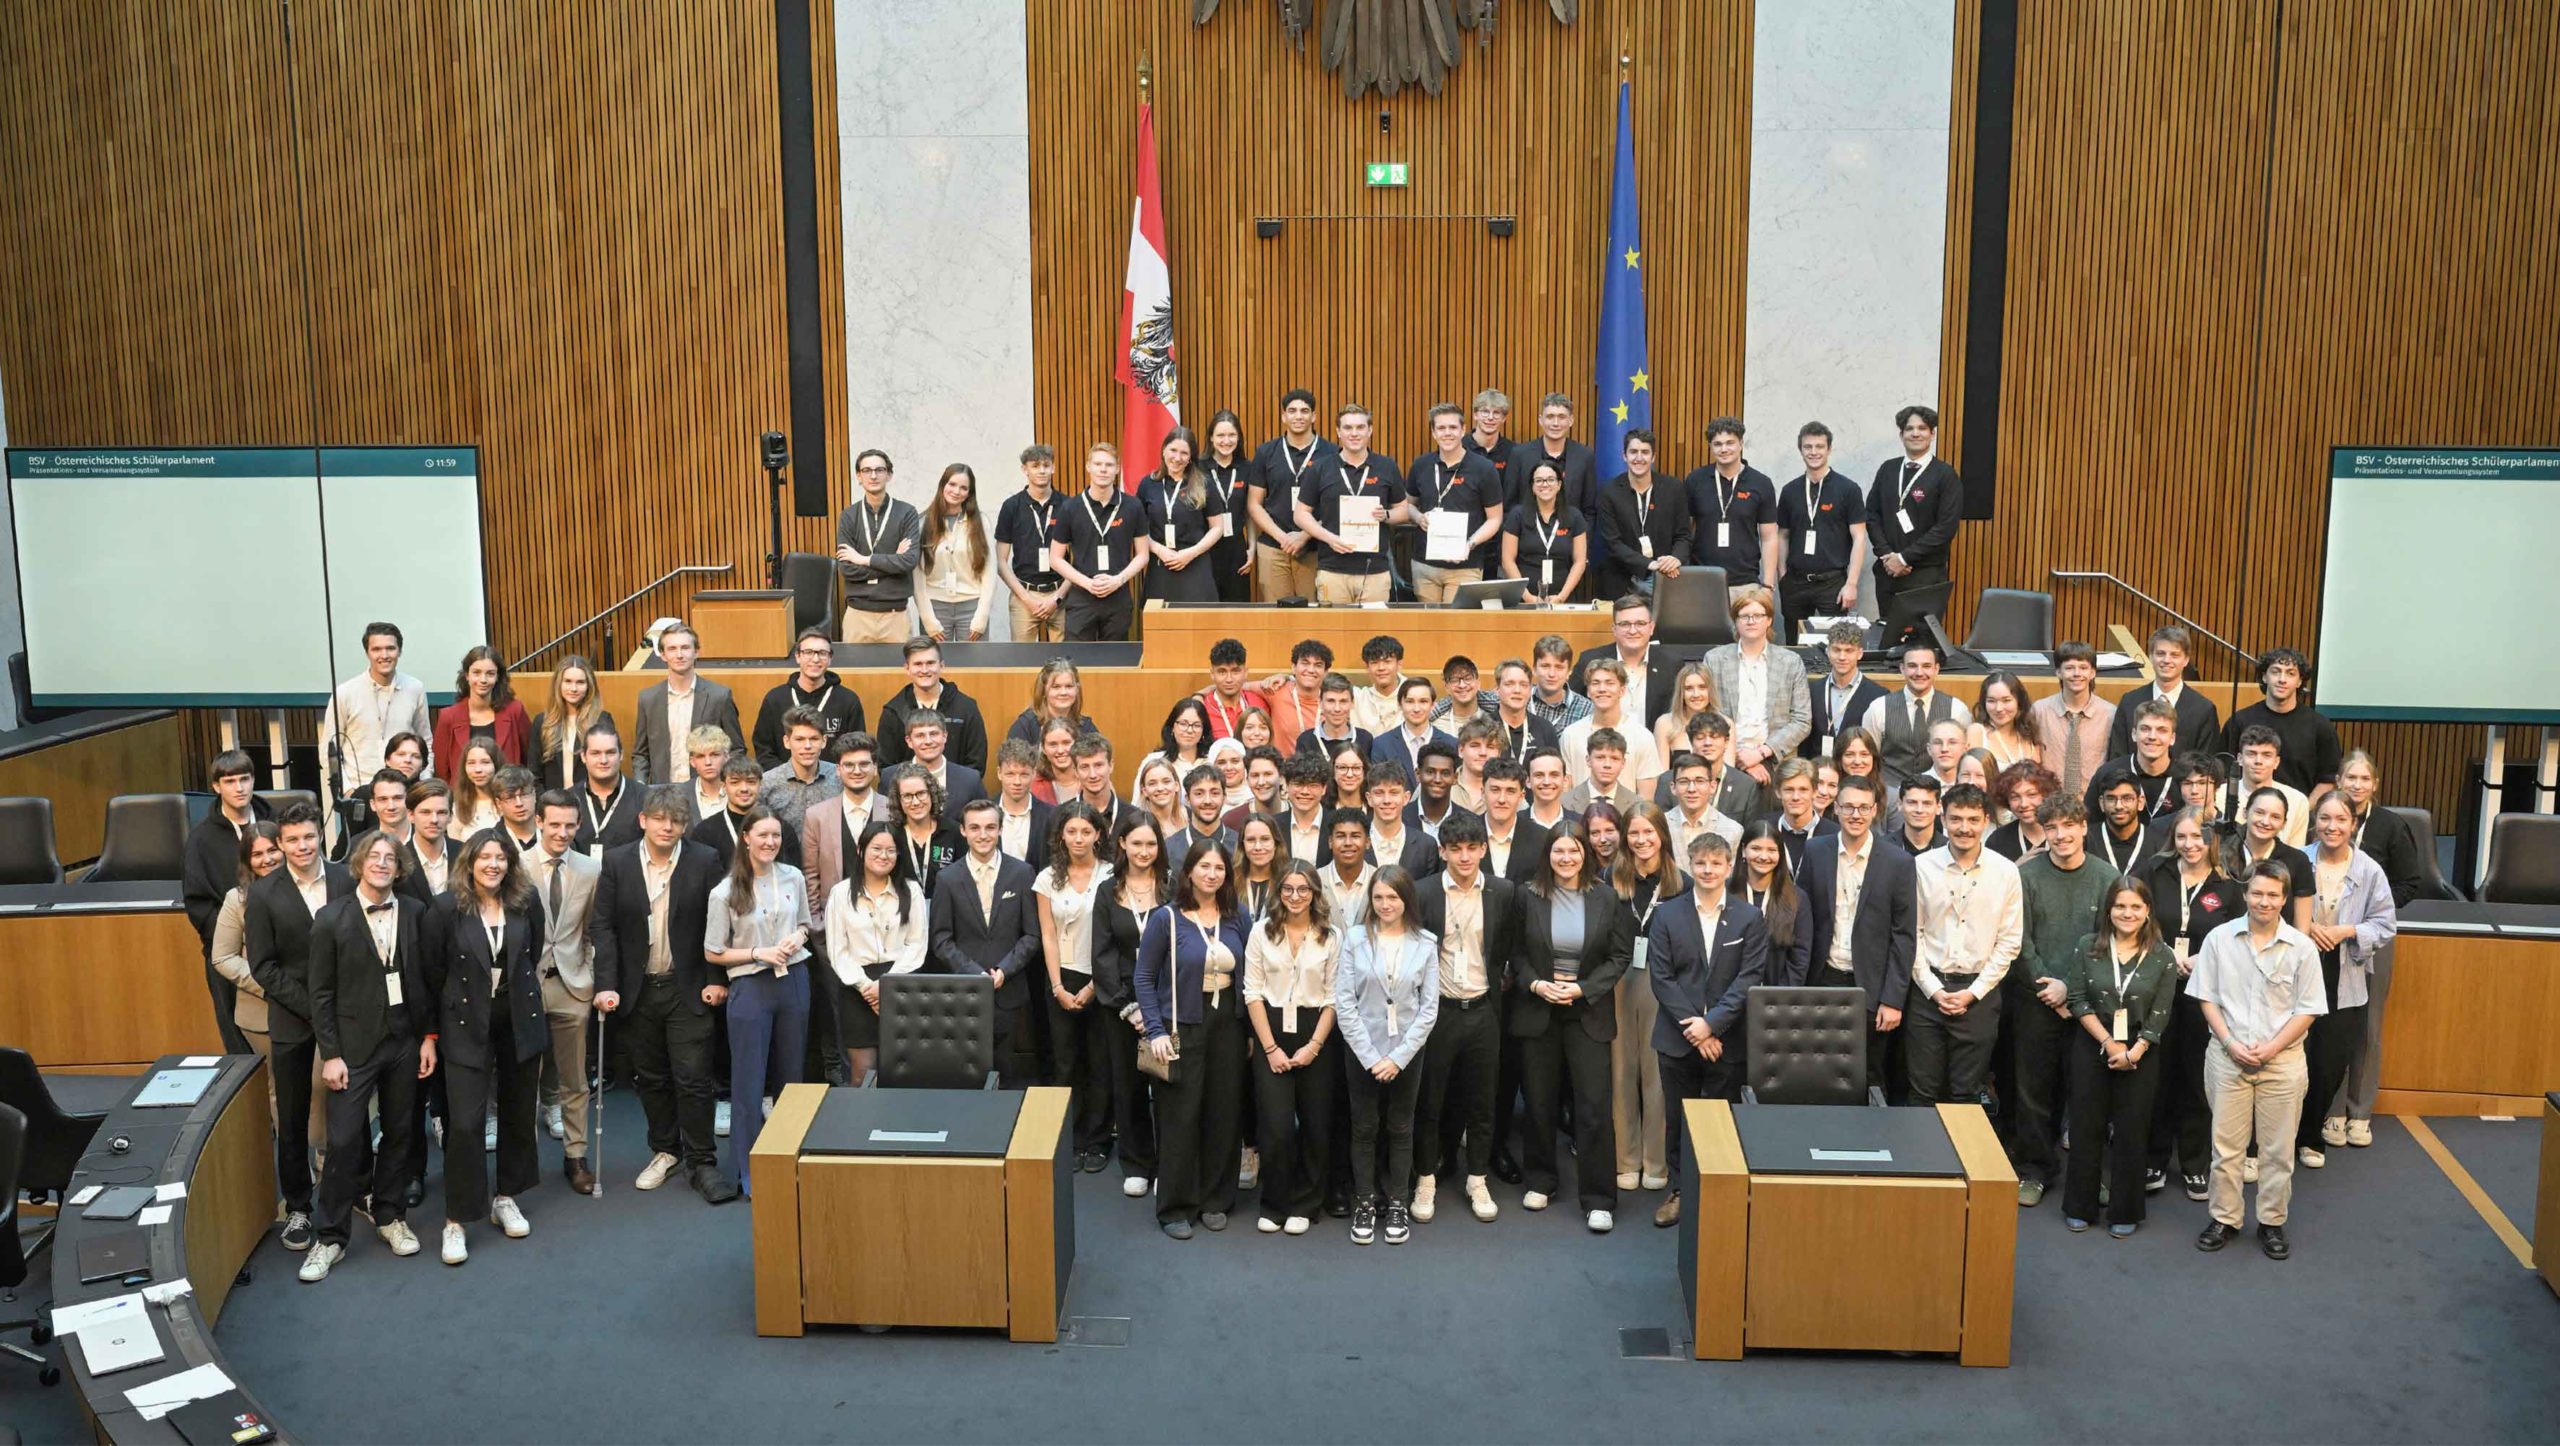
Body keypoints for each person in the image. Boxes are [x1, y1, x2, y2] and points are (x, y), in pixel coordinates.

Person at [294, 829, 435, 1281]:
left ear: (399, 867)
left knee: (399, 1133)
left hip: (404, 1042)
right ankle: (329, 1237)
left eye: (389, 857)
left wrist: (428, 1038)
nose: (381, 863)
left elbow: (426, 981)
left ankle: (390, 1215)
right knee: (344, 1142)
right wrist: (331, 1054)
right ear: (359, 863)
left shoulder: (415, 912)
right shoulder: (331, 917)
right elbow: (320, 994)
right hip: (351, 1051)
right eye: (373, 856)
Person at [593, 786, 731, 1201]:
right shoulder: (617, 861)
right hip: (637, 990)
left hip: (688, 986)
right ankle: (665, 1151)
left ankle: (702, 1161)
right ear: (643, 821)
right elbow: (603, 926)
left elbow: (717, 920)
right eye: (659, 818)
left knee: (692, 1078)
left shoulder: (703, 859)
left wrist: (716, 978)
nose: (667, 826)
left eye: (675, 820)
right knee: (650, 1078)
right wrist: (605, 984)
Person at [2189, 860, 2327, 1260]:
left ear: (2284, 899)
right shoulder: (2218, 939)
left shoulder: (2301, 947)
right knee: (2226, 1149)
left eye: (2273, 895)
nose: (2264, 902)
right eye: (2257, 893)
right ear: (2246, 894)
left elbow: (2309, 1009)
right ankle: (2225, 1218)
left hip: (2281, 1063)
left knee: (2277, 1151)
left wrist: (2271, 1048)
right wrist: (2230, 1042)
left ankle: (2271, 1221)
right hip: (2227, 1057)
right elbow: (2206, 997)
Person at [432, 830, 548, 1263]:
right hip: (464, 1023)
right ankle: (456, 1220)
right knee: (464, 1123)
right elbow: (433, 970)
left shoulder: (525, 902)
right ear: (470, 862)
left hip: (517, 1019)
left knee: (519, 1113)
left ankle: (506, 1197)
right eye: (485, 857)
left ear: (510, 864)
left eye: (501, 858)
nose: (493, 865)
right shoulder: (447, 908)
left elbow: (529, 956)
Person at [1511, 820, 1631, 1232]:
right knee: (1539, 1103)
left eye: (1574, 851)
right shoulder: (1527, 896)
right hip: (1539, 1009)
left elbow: (1619, 957)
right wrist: (1537, 983)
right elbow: (1515, 953)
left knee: (1594, 1106)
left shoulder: (1606, 898)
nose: (1566, 858)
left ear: (1586, 854)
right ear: (1548, 854)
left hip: (1587, 1012)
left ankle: (1598, 1197)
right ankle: (1541, 1180)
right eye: (1558, 851)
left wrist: (1582, 989)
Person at [244, 803, 354, 1252]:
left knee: (349, 1110)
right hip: (292, 1019)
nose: (302, 846)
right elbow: (263, 967)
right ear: (281, 843)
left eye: (308, 837)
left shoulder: (347, 880)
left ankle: (350, 1192)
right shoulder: (265, 893)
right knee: (290, 1119)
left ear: (319, 837)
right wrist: (313, 1007)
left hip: (348, 1016)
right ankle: (299, 1208)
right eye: (292, 840)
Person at [1647, 831, 1768, 1228]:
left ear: (1730, 867)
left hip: (1727, 1040)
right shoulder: (1667, 914)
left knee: (1721, 1121)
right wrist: (1696, 1029)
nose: (1708, 870)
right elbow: (1662, 978)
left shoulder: (1749, 918)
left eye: (1716, 863)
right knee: (1678, 1120)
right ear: (1691, 865)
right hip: (1677, 1038)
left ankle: (1717, 1195)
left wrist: (1713, 1024)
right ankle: (1681, 1191)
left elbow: (1749, 977)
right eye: (1701, 863)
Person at [1136, 838, 1252, 1239]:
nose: (1212, 874)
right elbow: (1143, 978)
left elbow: (1249, 976)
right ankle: (1175, 1206)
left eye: (1219, 868)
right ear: (1188, 872)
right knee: (1180, 1117)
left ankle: (1216, 1198)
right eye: (1204, 867)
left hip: (1228, 1027)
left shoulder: (1238, 918)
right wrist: (1154, 1030)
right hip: (1180, 1026)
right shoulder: (1165, 919)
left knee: (1224, 1113)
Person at [2007, 795, 2114, 1207]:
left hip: (2088, 1005)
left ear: (2084, 827)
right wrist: (2048, 990)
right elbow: (2019, 941)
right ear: (2043, 832)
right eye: (2051, 827)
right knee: (2033, 1091)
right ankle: (2035, 1170)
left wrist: (2070, 988)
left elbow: (2108, 940)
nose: (2061, 834)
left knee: (2088, 1095)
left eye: (2069, 825)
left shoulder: (2107, 877)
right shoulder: (2027, 877)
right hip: (2036, 1002)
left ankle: (2088, 1176)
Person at [2059, 877, 2179, 1236]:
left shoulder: (2163, 955)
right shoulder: (2087, 947)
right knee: (2085, 1126)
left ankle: (2125, 1210)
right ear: (2109, 911)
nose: (2127, 914)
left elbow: (2161, 1012)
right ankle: (2080, 1203)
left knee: (2131, 1130)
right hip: (2092, 1043)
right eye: (2120, 906)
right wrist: (2110, 1044)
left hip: (2142, 1051)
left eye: (2136, 907)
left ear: (2147, 912)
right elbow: (2077, 999)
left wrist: (2136, 1050)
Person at [1411, 812, 1512, 1226]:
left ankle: (1478, 1177)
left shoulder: (1504, 892)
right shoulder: (1424, 893)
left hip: (1484, 1009)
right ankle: (1426, 1179)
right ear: (1443, 851)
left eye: (1472, 848)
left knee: (1483, 1100)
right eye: (1456, 849)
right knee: (1430, 1100)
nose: (1465, 856)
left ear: (1484, 850)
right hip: (1439, 1011)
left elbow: (1508, 948)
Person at [2140, 807, 2244, 1201]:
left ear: (2212, 841)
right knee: (2157, 1075)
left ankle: (2195, 1163)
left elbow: (2237, 935)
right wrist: (2164, 953)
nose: (2190, 845)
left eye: (2198, 838)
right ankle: (2154, 1157)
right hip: (2158, 985)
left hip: (2205, 992)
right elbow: (2137, 917)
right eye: (2182, 837)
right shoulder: (2156, 872)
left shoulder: (2228, 885)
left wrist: (2205, 958)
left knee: (2197, 1079)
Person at [1332, 867, 1440, 1245]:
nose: (1385, 904)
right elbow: (1344, 1003)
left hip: (1406, 1053)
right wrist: (1369, 1056)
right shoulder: (1355, 939)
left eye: (1392, 897)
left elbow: (1428, 1009)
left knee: (1400, 1127)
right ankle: (1365, 1201)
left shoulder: (1425, 943)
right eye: (1378, 897)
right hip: (1363, 1050)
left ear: (1406, 899)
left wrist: (1398, 1058)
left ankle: (1397, 1202)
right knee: (1363, 1128)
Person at [709, 810, 816, 1183]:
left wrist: (797, 938)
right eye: (763, 835)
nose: (770, 842)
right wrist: (758, 953)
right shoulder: (724, 891)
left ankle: (791, 1160)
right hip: (751, 987)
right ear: (746, 838)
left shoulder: (794, 877)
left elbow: (805, 923)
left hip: (794, 981)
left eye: (776, 835)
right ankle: (747, 1170)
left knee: (792, 1077)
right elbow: (713, 951)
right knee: (749, 1081)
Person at [1905, 784, 2023, 1106]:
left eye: (1973, 819)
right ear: (1943, 818)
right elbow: (1910, 934)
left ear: (1986, 820)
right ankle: (1920, 1157)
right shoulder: (1920, 866)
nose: (1964, 828)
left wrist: (1973, 992)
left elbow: (2009, 943)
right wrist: (1932, 989)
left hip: (1979, 996)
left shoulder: (2006, 872)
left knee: (1967, 1095)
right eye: (1956, 819)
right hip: (1927, 993)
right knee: (1922, 1093)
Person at [2298, 792, 2397, 1169]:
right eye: (2325, 818)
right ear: (2315, 822)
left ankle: (2310, 1138)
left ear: (2353, 825)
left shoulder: (2369, 869)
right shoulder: (2297, 860)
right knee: (2295, 1061)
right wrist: (2305, 927)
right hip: (2300, 970)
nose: (2332, 827)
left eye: (2341, 820)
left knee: (2329, 1062)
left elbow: (2385, 923)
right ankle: (2284, 1137)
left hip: (2346, 972)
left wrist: (2346, 931)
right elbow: (2271, 904)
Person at [1796, 777, 1915, 1085]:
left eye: (1863, 807)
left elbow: (1904, 935)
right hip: (1823, 979)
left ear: (1875, 810)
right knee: (1816, 1070)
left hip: (1871, 988)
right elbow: (1802, 920)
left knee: (1868, 1074)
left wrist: (1892, 999)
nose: (1855, 814)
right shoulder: (1815, 851)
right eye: (1848, 806)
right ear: (1835, 808)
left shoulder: (1898, 862)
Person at [1245, 859, 1341, 1235]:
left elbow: (1334, 997)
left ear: (1315, 893)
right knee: (1276, 1126)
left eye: (1303, 889)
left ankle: (1307, 1203)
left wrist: (1313, 1046)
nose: (1296, 896)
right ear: (1278, 892)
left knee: (1316, 1124)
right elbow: (1251, 992)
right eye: (1288, 889)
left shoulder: (1330, 936)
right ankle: (1276, 1202)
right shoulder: (1260, 933)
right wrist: (1270, 1049)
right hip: (1271, 1030)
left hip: (1316, 1032)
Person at [2332, 750, 2421, 1146]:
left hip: (2374, 934)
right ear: (2338, 780)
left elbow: (2409, 883)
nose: (2356, 784)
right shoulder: (2328, 818)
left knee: (2368, 1026)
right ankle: (2330, 1111)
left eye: (2364, 778)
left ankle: (2358, 1112)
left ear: (2375, 784)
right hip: (2328, 935)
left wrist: (2372, 913)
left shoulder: (2390, 825)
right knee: (2331, 1022)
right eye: (2350, 777)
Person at [1033, 802, 1120, 1173]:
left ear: (1099, 834)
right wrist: (1057, 986)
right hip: (1061, 978)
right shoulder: (1046, 879)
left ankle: (1098, 1140)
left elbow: (1115, 935)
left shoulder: (1112, 874)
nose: (1079, 838)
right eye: (1072, 831)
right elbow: (1048, 936)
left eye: (1086, 831)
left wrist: (1092, 985)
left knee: (1101, 1062)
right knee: (1066, 1063)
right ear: (1061, 835)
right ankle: (1070, 1140)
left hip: (1102, 977)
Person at [524, 792, 603, 1194]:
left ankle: (576, 1156)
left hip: (573, 986)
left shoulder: (590, 869)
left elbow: (593, 929)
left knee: (575, 1080)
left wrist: (588, 975)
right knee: (524, 1079)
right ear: (539, 821)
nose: (562, 832)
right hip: (527, 988)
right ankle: (523, 1164)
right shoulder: (516, 867)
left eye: (570, 825)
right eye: (554, 824)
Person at [1091, 812, 1168, 1194]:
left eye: (1151, 844)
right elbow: (1102, 953)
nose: (1143, 851)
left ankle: (1169, 1164)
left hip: (1167, 1003)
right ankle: (1137, 1162)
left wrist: (1156, 1007)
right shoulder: (1108, 891)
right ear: (1122, 844)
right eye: (1136, 843)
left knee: (1170, 1087)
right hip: (1121, 1006)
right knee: (1129, 1085)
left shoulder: (1172, 888)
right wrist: (1132, 1007)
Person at [1610, 803, 1684, 1196]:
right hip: (1618, 980)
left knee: (1656, 1075)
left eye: (1648, 833)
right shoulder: (1610, 879)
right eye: (1633, 833)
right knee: (1621, 1071)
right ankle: (1627, 1159)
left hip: (1663, 982)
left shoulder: (1681, 883)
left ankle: (1655, 1162)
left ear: (1662, 835)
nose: (1641, 841)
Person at [818, 817, 920, 1090]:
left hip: (901, 984)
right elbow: (837, 951)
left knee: (903, 1071)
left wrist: (886, 985)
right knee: (861, 1074)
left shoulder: (911, 891)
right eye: (876, 849)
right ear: (861, 851)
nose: (883, 856)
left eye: (890, 850)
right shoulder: (840, 894)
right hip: (857, 988)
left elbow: (917, 946)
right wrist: (868, 987)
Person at [184, 749, 272, 1053]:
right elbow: (197, 904)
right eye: (230, 780)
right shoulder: (201, 839)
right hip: (229, 953)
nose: (239, 788)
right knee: (239, 1046)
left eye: (245, 779)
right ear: (216, 786)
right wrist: (232, 936)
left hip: (282, 950)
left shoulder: (276, 824)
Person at [1865, 404, 1964, 643]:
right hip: (1888, 573)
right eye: (1909, 429)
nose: (1915, 433)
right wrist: (1887, 555)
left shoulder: (1944, 475)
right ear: (1901, 435)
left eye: (1922, 428)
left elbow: (1945, 528)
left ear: (1933, 433)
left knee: (1922, 644)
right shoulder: (1888, 469)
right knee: (1889, 644)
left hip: (1925, 576)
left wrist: (1905, 558)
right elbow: (1872, 514)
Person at [319, 621, 433, 813]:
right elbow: (328, 748)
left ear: (399, 651)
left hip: (403, 793)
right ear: (367, 653)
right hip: (360, 793)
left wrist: (425, 783)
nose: (384, 655)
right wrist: (347, 790)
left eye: (390, 648)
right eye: (376, 649)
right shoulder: (345, 693)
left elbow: (426, 740)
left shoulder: (415, 688)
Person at [1703, 585, 1812, 779]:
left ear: (1769, 620)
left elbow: (1802, 721)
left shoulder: (1791, 662)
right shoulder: (1714, 659)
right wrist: (1739, 757)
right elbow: (1708, 713)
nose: (1751, 621)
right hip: (1727, 760)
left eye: (1757, 616)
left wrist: (1761, 753)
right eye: (1744, 616)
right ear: (1735, 621)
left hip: (1778, 762)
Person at [1772, 421, 1868, 638]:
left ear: (1829, 449)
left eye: (1819, 446)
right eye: (1808, 447)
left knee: (1835, 646)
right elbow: (1782, 535)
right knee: (1794, 646)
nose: (1813, 452)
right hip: (1795, 582)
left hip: (1832, 584)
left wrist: (1851, 584)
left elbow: (1860, 538)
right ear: (1801, 450)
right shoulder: (1790, 490)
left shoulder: (1848, 489)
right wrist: (1782, 576)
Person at [1402, 402, 1505, 601]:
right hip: (1425, 565)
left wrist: (1470, 544)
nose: (1447, 433)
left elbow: (1495, 519)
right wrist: (1418, 517)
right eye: (1441, 428)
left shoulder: (1483, 468)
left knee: (1456, 628)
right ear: (1433, 432)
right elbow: (1408, 505)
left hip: (1465, 565)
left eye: (1453, 427)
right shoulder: (1421, 465)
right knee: (1426, 627)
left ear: (1463, 430)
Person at [1048, 443, 1149, 640]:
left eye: (1109, 465)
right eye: (1098, 464)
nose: (1103, 469)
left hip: (1118, 596)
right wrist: (1087, 583)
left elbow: (1143, 554)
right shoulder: (1070, 508)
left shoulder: (1133, 506)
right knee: (1077, 662)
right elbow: (1055, 558)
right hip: (1081, 597)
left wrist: (1118, 580)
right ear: (1088, 467)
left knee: (1115, 663)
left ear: (1117, 469)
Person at [1247, 388, 1333, 602]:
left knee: (1313, 616)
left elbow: (1335, 507)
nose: (1298, 416)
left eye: (1305, 411)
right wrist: (1283, 538)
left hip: (1314, 549)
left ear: (1314, 416)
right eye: (1292, 411)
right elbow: (1254, 504)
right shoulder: (1266, 452)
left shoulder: (1331, 453)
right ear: (1283, 416)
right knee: (1276, 617)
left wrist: (1304, 536)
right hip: (1273, 547)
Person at [2221, 647, 2342, 799]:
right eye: (2276, 671)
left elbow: (2328, 780)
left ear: (2299, 681)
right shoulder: (2238, 722)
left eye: (2290, 673)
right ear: (2264, 676)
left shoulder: (2320, 726)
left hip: (2301, 816)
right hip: (2245, 815)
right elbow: (2222, 773)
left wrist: (2303, 811)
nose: (2282, 679)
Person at [631, 624, 744, 786]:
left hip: (708, 791)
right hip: (663, 792)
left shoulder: (719, 696)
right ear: (662, 655)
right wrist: (640, 786)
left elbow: (736, 749)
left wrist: (725, 783)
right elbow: (641, 753)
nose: (679, 655)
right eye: (672, 649)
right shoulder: (648, 699)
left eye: (685, 648)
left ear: (696, 652)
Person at [836, 448, 925, 642]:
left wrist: (863, 559)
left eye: (879, 470)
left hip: (896, 616)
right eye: (867, 470)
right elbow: (847, 568)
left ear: (889, 474)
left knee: (899, 672)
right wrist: (892, 562)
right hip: (857, 615)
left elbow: (908, 562)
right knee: (855, 673)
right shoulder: (848, 516)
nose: (873, 475)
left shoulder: (907, 512)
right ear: (859, 476)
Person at [1683, 415, 1781, 589]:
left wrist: (1768, 584)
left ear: (1741, 444)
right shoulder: (1695, 480)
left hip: (1746, 583)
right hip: (1702, 580)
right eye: (1718, 444)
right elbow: (1684, 531)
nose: (1724, 449)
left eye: (1730, 442)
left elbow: (1769, 537)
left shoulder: (1761, 483)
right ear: (1710, 447)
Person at [1860, 640, 1971, 793]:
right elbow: (1868, 759)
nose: (1919, 673)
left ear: (1936, 669)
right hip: (1890, 796)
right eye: (1912, 666)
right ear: (1902, 669)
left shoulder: (1957, 709)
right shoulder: (1878, 708)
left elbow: (1966, 760)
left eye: (1926, 666)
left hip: (1940, 796)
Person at [1594, 429, 1690, 601]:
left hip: (1667, 578)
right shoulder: (1609, 492)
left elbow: (1683, 535)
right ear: (1624, 456)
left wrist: (1675, 559)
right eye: (1633, 452)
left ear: (1653, 457)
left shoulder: (1674, 488)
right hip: (1622, 581)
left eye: (1645, 452)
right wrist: (1650, 564)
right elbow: (1612, 543)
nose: (1639, 458)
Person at [752, 629, 865, 769]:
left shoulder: (848, 700)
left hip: (833, 784)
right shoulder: (775, 699)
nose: (816, 659)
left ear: (830, 659)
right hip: (785, 785)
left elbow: (856, 749)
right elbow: (764, 749)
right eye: (809, 652)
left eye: (822, 653)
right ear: (798, 656)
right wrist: (787, 777)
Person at [2107, 625, 2223, 760]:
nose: (2166, 660)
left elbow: (2205, 764)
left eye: (2175, 655)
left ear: (2186, 660)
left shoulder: (2203, 709)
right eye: (2160, 653)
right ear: (2150, 657)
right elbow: (2117, 756)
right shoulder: (2129, 702)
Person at [874, 636, 990, 771]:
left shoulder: (967, 708)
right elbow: (886, 767)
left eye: (930, 663)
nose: (924, 670)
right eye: (918, 664)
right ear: (907, 668)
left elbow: (976, 763)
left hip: (956, 791)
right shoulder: (893, 712)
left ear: (941, 665)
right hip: (909, 791)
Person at [1138, 426, 1223, 605]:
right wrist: (1159, 550)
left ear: (1191, 456)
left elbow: (1218, 528)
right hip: (1161, 564)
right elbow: (1138, 530)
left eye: (1184, 453)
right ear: (1163, 450)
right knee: (1159, 626)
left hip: (1195, 564)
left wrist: (1191, 553)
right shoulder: (1148, 484)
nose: (1177, 458)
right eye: (1173, 450)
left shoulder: (1204, 484)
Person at [912, 461, 995, 639]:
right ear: (943, 485)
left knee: (975, 665)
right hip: (935, 607)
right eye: (952, 484)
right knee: (936, 664)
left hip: (972, 605)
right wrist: (928, 620)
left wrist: (982, 616)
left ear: (969, 493)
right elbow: (918, 576)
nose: (957, 491)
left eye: (964, 488)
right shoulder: (922, 523)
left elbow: (989, 572)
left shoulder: (981, 522)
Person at [995, 444, 1070, 642]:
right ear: (1024, 469)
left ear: (1053, 468)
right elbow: (1001, 562)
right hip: (1024, 595)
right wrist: (1027, 599)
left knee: (1066, 661)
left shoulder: (1069, 505)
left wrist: (1058, 597)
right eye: (1035, 465)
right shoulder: (1011, 506)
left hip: (1061, 594)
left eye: (1046, 465)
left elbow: (1079, 560)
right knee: (1022, 663)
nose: (1042, 470)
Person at [2027, 642, 2116, 798]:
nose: (2077, 673)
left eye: (2083, 668)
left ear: (2093, 673)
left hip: (2093, 803)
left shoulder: (2110, 714)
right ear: (2058, 673)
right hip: (2048, 802)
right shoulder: (2039, 711)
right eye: (2069, 668)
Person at [1733, 820, 1815, 986]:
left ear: (1780, 854)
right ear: (1743, 850)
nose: (1763, 857)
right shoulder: (1726, 894)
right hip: (1729, 1002)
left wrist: (1779, 1001)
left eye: (1771, 850)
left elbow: (1800, 958)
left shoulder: (1797, 898)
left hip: (1778, 1002)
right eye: (1756, 849)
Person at [434, 646, 533, 779]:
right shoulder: (448, 717)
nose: (483, 680)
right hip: (463, 797)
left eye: (490, 673)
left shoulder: (515, 710)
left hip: (506, 794)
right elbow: (441, 769)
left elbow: (529, 758)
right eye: (476, 673)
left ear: (498, 677)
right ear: (466, 675)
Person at [2223, 786, 2315, 930]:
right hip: (2226, 945)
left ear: (2284, 823)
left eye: (2275, 817)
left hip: (2279, 948)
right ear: (2245, 813)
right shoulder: (2222, 853)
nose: (2265, 822)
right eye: (2259, 813)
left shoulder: (2298, 860)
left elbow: (2302, 929)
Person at [1502, 458, 1588, 606]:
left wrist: (1561, 597)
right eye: (1539, 480)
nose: (1545, 484)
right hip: (1524, 599)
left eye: (1550, 479)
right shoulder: (1517, 515)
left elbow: (1580, 561)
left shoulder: (1574, 516)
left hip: (1563, 598)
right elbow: (1507, 560)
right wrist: (1528, 597)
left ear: (1559, 484)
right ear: (1532, 486)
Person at [2086, 701, 2182, 826]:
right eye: (2145, 729)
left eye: (2161, 730)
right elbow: (2089, 825)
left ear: (2172, 738)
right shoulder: (2107, 773)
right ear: (2134, 734)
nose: (2152, 736)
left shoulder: (2185, 777)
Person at [1805, 621, 1887, 760]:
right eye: (1836, 650)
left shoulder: (1878, 695)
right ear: (1827, 651)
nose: (1842, 657)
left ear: (1860, 653)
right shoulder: (1811, 690)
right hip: (1818, 772)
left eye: (1849, 651)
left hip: (1856, 774)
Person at [1199, 410, 1257, 603]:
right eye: (1220, 435)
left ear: (1239, 437)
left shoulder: (1247, 468)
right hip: (1205, 549)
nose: (1226, 441)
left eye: (1232, 435)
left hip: (1236, 549)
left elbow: (1250, 512)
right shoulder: (1198, 468)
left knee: (1236, 610)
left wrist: (1252, 547)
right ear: (1211, 438)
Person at [534, 655, 613, 791]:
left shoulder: (601, 720)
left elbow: (608, 770)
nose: (574, 688)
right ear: (558, 684)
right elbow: (534, 774)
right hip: (552, 804)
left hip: (589, 803)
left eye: (580, 682)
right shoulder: (542, 722)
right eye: (568, 681)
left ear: (589, 686)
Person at [2229, 726, 2310, 846]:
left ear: (2276, 762)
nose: (2258, 761)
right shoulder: (2219, 795)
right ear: (2240, 759)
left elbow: (2296, 853)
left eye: (2266, 755)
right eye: (2251, 754)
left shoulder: (2297, 801)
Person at [570, 726, 642, 857]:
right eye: (595, 753)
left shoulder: (645, 798)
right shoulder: (568, 799)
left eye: (610, 752)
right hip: (580, 876)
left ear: (621, 755)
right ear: (583, 756)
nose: (603, 760)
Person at [1969, 671, 2041, 772]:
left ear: (2019, 701)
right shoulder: (1977, 732)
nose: (1998, 708)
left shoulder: (2029, 734)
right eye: (1991, 701)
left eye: (2006, 700)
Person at [1987, 762, 2060, 861]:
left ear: (2046, 794)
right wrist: (2015, 869)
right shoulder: (1998, 840)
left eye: (2031, 795)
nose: (2023, 804)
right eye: (2015, 797)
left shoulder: (2065, 833)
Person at [2089, 774, 2157, 876]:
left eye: (2127, 798)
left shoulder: (2159, 845)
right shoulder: (2086, 840)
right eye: (2111, 799)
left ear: (2140, 802)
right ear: (2102, 803)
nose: (2119, 806)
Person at [1888, 775, 1945, 855]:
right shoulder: (1882, 848)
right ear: (1900, 804)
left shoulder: (1950, 849)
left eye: (1927, 803)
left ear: (1938, 807)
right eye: (1912, 802)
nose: (1919, 810)